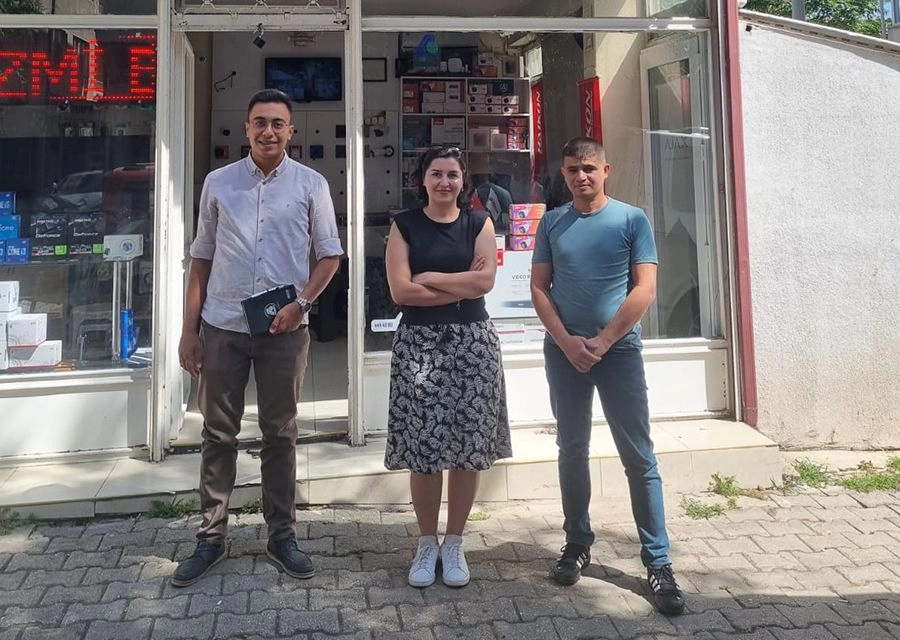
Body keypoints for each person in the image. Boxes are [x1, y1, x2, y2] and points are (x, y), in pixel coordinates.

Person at [173, 88, 343, 587]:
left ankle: (281, 536)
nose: (269, 131)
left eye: (277, 123)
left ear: (292, 131)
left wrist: (301, 305)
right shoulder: (218, 183)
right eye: (260, 122)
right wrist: (189, 330)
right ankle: (211, 538)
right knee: (217, 434)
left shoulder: (311, 185)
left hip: (283, 330)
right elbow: (201, 258)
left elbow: (330, 256)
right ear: (247, 128)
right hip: (223, 325)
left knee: (281, 434)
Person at [530, 137, 685, 615]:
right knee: (571, 450)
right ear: (563, 173)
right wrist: (566, 342)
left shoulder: (632, 219)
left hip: (618, 354)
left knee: (639, 457)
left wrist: (602, 341)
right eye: (572, 169)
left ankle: (658, 562)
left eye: (589, 168)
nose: (581, 176)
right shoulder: (552, 222)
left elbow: (645, 288)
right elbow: (539, 287)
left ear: (605, 170)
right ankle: (577, 542)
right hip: (565, 355)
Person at [384, 146, 512, 589]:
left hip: (473, 345)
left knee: (467, 447)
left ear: (463, 181)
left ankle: (454, 541)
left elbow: (485, 282)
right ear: (422, 179)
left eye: (452, 174)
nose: (444, 182)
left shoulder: (479, 223)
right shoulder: (404, 225)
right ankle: (426, 542)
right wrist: (460, 285)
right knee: (424, 449)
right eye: (436, 174)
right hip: (419, 345)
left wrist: (431, 279)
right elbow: (401, 292)